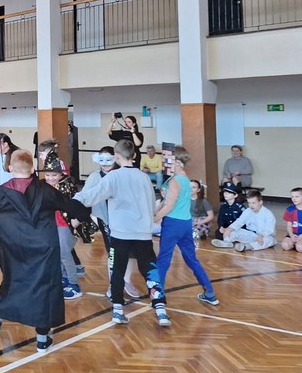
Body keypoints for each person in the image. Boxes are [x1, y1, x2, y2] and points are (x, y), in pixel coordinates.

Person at [0, 149, 92, 353]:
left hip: (13, 248)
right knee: (44, 288)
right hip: (44, 249)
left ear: (10, 168)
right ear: (33, 168)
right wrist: (86, 214)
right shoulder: (46, 191)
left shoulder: (0, 193)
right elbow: (70, 205)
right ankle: (42, 339)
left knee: (13, 281)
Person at [73, 139, 171, 327]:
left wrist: (73, 201)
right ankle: (161, 310)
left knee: (117, 270)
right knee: (150, 269)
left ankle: (118, 310)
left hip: (120, 234)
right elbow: (152, 205)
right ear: (134, 155)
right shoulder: (144, 177)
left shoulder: (113, 177)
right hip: (143, 233)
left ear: (117, 157)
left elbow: (92, 195)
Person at [153, 147, 219, 306]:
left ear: (177, 162)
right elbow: (166, 201)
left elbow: (169, 205)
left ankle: (158, 297)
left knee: (163, 259)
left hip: (172, 224)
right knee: (191, 258)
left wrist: (154, 219)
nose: (164, 162)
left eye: (167, 159)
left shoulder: (175, 181)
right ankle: (209, 292)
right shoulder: (184, 179)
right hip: (185, 224)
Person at [83, 146, 141, 299]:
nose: (105, 164)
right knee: (114, 253)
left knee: (132, 251)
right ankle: (113, 284)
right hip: (107, 220)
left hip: (127, 220)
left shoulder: (124, 174)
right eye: (101, 160)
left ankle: (126, 280)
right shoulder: (94, 177)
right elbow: (85, 196)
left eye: (108, 159)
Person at [41, 149, 84, 300]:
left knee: (64, 253)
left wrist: (77, 219)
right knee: (56, 253)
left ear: (61, 174)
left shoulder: (67, 187)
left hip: (65, 225)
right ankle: (63, 278)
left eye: (54, 175)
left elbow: (79, 204)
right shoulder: (44, 186)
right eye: (47, 175)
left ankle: (74, 284)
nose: (50, 178)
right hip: (52, 225)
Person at [212, 190, 277, 251]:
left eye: (253, 203)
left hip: (264, 236)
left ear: (260, 202)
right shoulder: (247, 211)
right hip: (250, 234)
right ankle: (226, 242)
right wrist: (229, 229)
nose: (251, 205)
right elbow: (239, 222)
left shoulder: (268, 214)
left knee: (269, 240)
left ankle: (246, 246)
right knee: (235, 232)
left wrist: (261, 235)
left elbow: (269, 229)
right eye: (249, 203)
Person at [280, 187, 302, 252]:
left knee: (300, 247)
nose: (294, 199)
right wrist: (291, 235)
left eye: (297, 197)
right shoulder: (290, 209)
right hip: (293, 234)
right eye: (292, 197)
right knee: (285, 245)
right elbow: (289, 225)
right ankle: (295, 244)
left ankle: (298, 244)